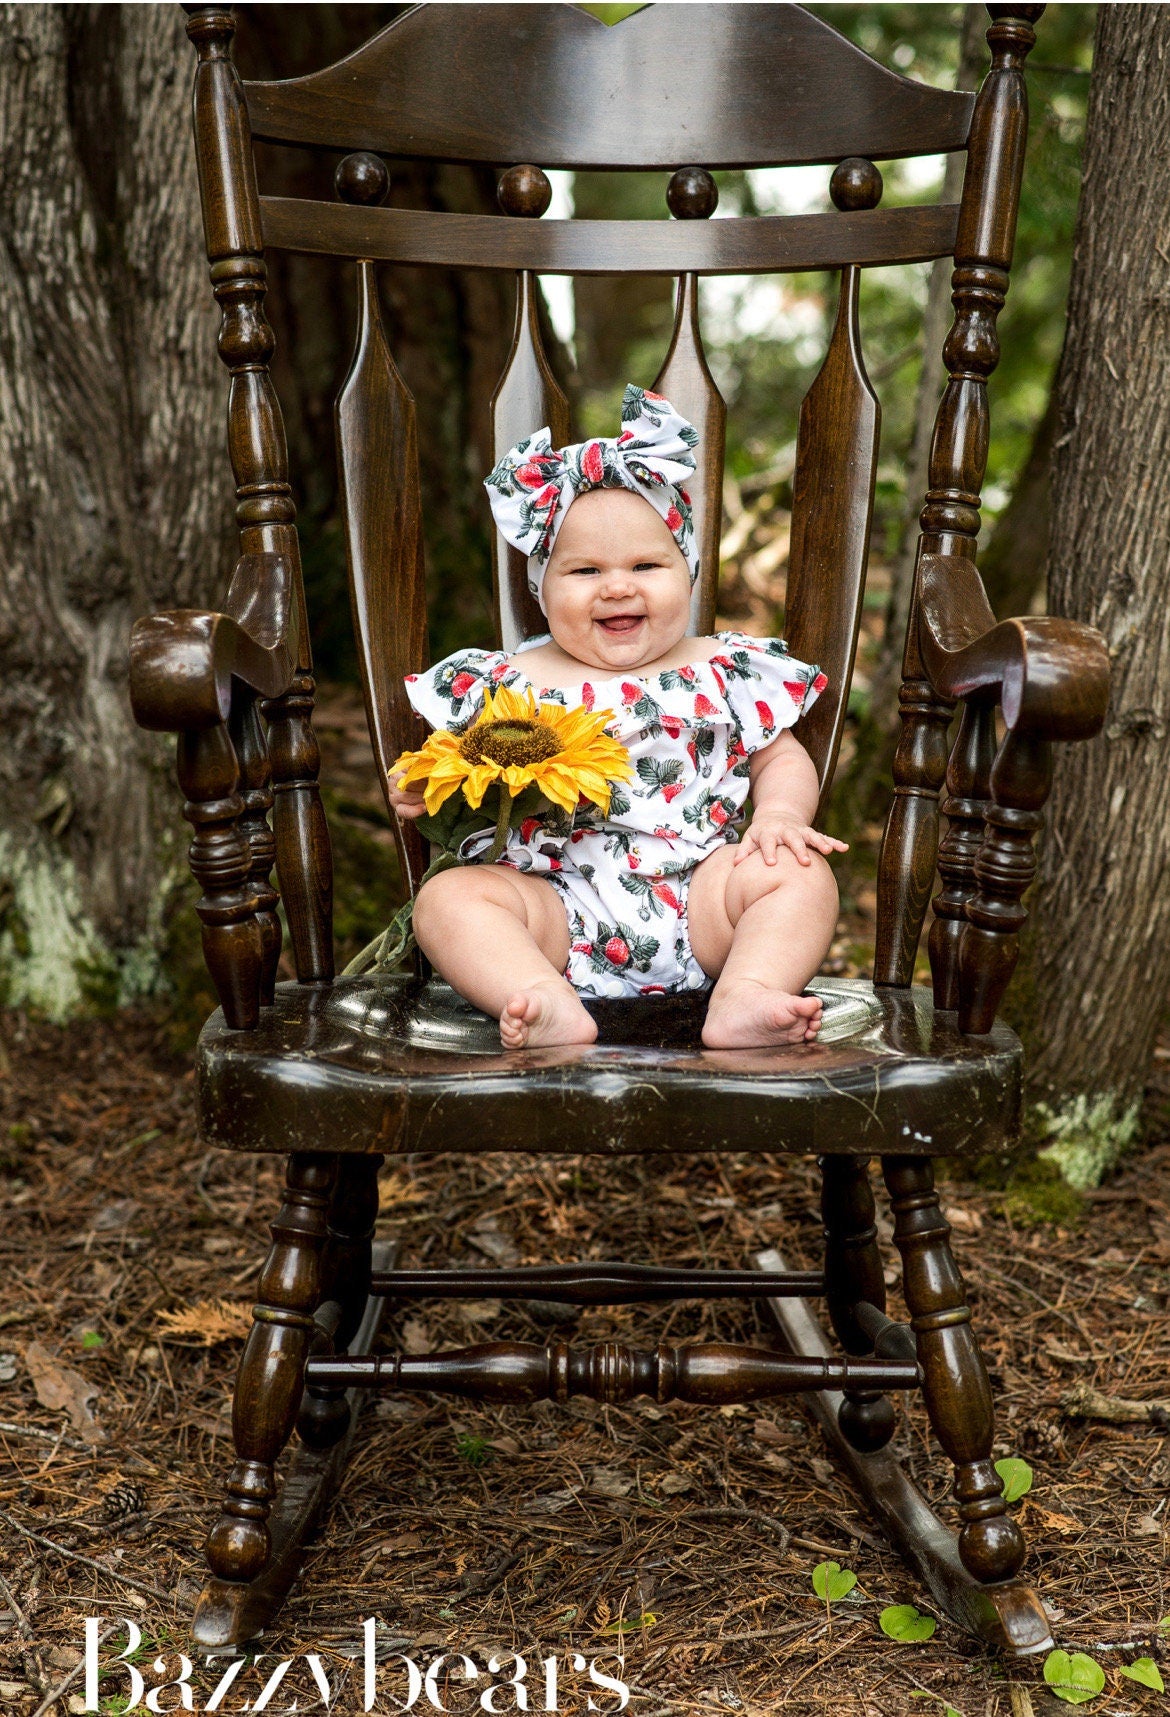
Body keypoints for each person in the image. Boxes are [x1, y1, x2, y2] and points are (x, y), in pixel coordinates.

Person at [389, 384, 846, 1052]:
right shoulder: (512, 680)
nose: (617, 586)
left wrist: (780, 818)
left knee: (800, 877)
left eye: (645, 564)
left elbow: (780, 755)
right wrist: (427, 785)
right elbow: (460, 757)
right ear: (541, 587)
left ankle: (747, 991)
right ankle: (541, 999)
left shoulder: (724, 668)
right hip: (553, 908)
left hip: (702, 897)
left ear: (685, 571)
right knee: (449, 901)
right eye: (583, 570)